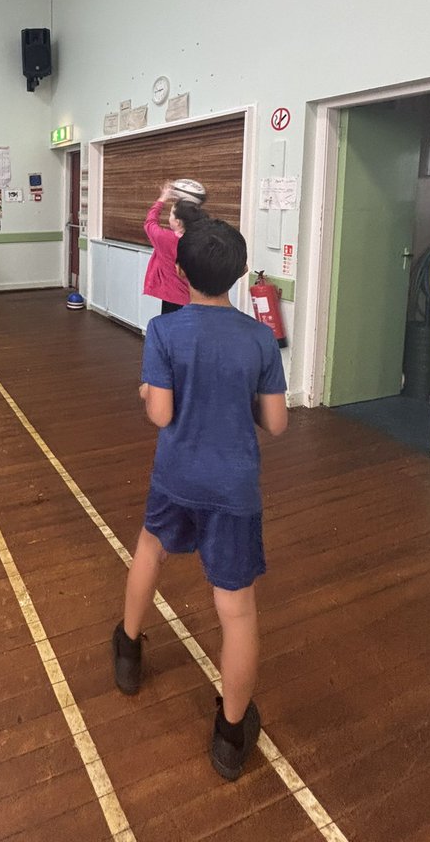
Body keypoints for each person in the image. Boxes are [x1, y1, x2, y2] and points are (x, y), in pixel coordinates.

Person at [112, 217, 288, 781]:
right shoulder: (260, 337)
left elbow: (160, 413)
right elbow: (277, 423)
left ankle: (128, 650)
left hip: (176, 477)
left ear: (181, 272)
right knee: (235, 608)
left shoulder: (164, 333)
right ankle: (232, 732)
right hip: (234, 486)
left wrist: (147, 390)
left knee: (150, 550)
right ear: (239, 274)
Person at [142, 178, 208, 314]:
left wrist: (162, 198)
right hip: (197, 297)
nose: (169, 216)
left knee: (172, 330)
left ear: (177, 222)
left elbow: (149, 222)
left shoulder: (165, 239)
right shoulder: (201, 238)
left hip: (172, 297)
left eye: (171, 214)